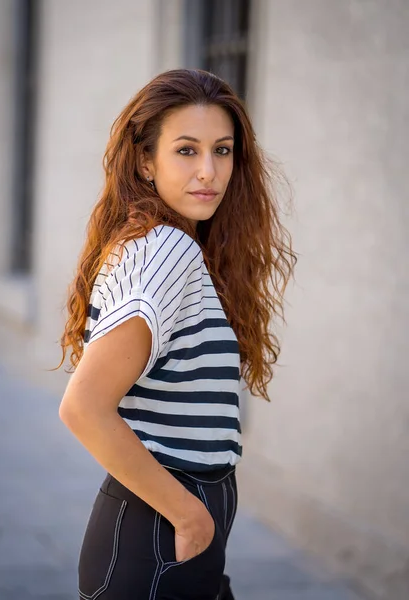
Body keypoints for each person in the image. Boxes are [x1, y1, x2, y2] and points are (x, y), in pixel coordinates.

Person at [56, 68, 297, 600]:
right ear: (146, 160)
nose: (209, 171)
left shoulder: (159, 242)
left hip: (164, 536)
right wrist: (192, 518)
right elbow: (84, 406)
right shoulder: (166, 248)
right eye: (186, 151)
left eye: (223, 150)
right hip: (162, 536)